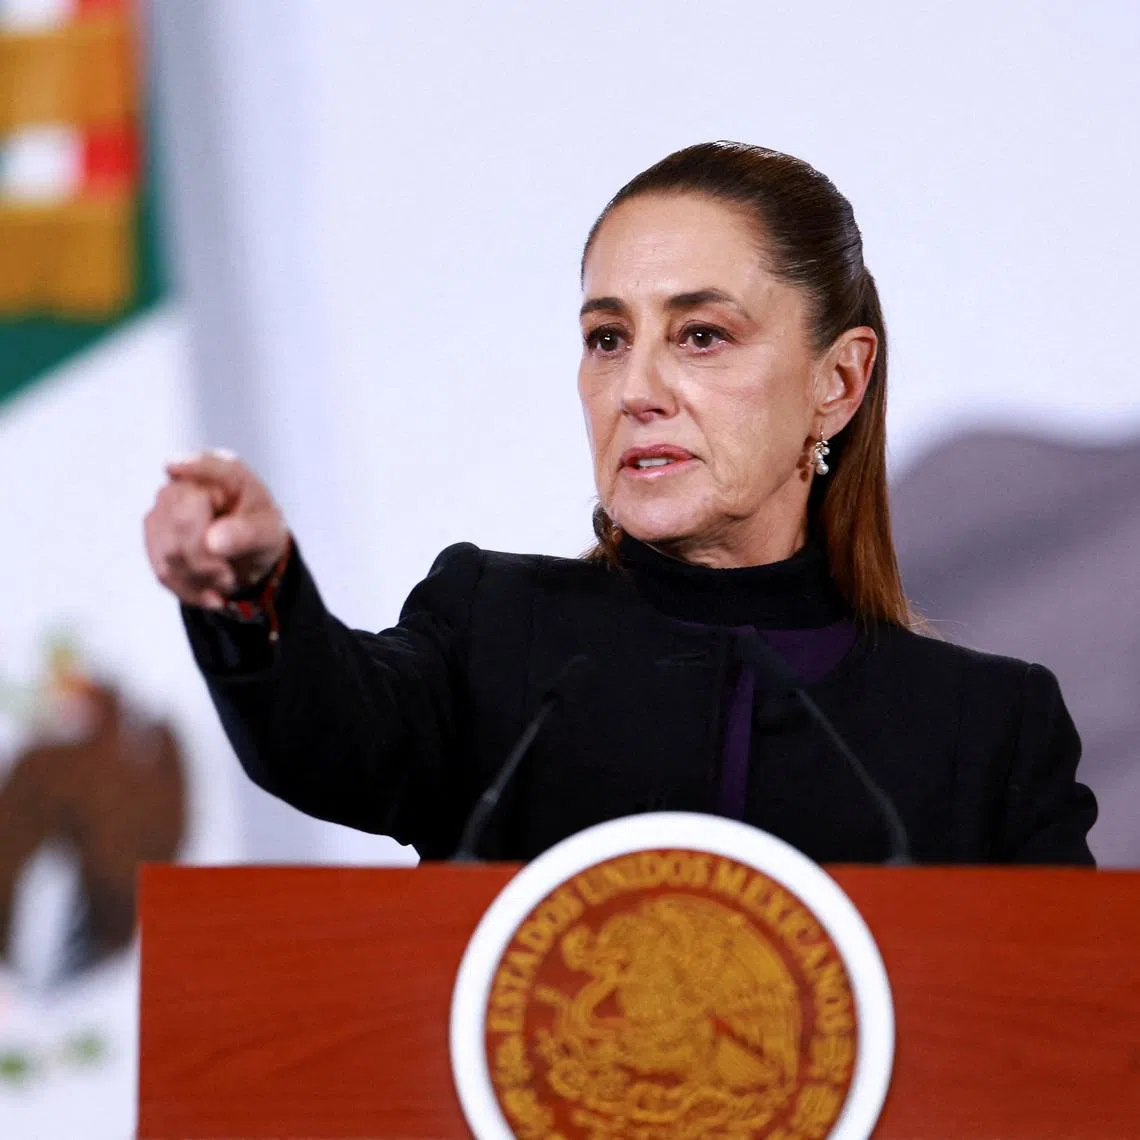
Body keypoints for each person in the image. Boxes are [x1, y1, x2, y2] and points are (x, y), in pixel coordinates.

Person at [144, 142, 1096, 865]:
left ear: (837, 382)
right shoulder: (496, 633)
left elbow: (1067, 1037)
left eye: (701, 336)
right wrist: (253, 587)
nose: (636, 389)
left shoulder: (986, 729)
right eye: (607, 338)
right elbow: (326, 735)